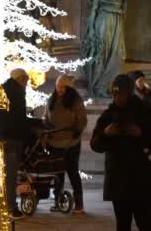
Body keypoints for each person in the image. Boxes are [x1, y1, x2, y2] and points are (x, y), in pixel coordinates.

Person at [90, 74, 151, 231]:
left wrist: (140, 134)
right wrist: (106, 133)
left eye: (121, 94)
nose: (117, 97)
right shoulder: (109, 115)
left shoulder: (144, 112)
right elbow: (95, 144)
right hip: (118, 181)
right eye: (114, 94)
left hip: (140, 179)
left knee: (144, 223)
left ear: (129, 93)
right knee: (122, 225)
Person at [43, 74, 87, 214]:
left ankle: (79, 204)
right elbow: (46, 117)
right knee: (57, 174)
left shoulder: (76, 101)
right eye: (58, 87)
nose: (60, 89)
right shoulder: (52, 99)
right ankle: (58, 201)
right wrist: (47, 128)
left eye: (63, 87)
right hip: (54, 142)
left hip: (70, 143)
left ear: (69, 88)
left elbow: (82, 120)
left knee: (73, 172)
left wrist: (77, 131)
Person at [0, 68, 32, 220]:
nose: (26, 82)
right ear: (18, 79)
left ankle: (8, 205)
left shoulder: (14, 91)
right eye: (24, 79)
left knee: (11, 174)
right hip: (9, 139)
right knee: (10, 175)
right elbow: (7, 119)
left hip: (11, 137)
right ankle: (10, 208)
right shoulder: (9, 92)